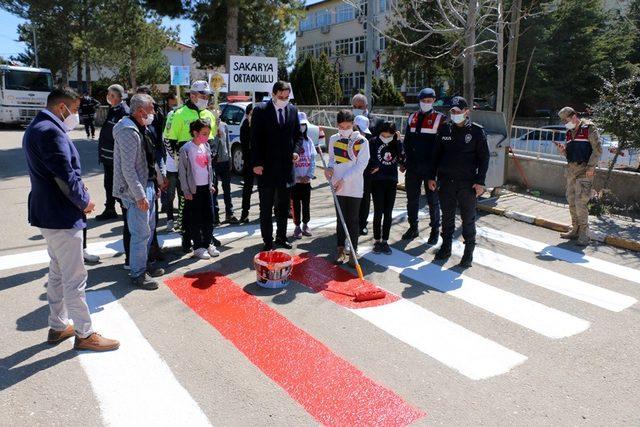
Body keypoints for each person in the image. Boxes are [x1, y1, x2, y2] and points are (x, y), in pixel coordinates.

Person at [22, 87, 119, 351]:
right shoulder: (50, 132)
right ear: (61, 107)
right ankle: (85, 333)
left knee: (57, 272)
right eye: (75, 110)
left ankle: (57, 325)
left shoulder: (38, 127)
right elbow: (64, 176)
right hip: (61, 214)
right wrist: (84, 201)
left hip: (49, 212)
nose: (76, 115)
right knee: (75, 278)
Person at [428, 96, 489, 268]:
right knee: (447, 217)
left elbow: (484, 159)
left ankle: (468, 253)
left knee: (468, 219)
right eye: (452, 112)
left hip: (467, 183)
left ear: (466, 112)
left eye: (457, 112)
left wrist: (480, 182)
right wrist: (431, 176)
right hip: (446, 182)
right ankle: (445, 247)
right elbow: (436, 155)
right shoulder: (445, 129)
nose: (454, 114)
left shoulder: (476, 131)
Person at [113, 94, 165, 290]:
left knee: (148, 230)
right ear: (140, 110)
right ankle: (137, 273)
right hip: (136, 191)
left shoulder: (141, 127)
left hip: (147, 185)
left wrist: (156, 184)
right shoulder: (127, 131)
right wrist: (140, 195)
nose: (154, 112)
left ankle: (144, 265)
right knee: (140, 233)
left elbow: (148, 159)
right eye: (151, 108)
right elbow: (128, 169)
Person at [163, 81, 218, 252]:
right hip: (186, 170)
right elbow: (168, 140)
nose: (205, 98)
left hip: (205, 168)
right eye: (203, 95)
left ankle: (207, 237)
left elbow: (212, 140)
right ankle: (187, 237)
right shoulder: (177, 114)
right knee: (186, 205)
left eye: (208, 96)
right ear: (192, 95)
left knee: (209, 205)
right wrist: (180, 164)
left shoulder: (209, 114)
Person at [251, 81, 303, 251]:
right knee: (265, 207)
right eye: (281, 96)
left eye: (286, 97)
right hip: (265, 168)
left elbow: (298, 136)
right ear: (273, 94)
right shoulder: (260, 110)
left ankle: (281, 236)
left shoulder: (293, 110)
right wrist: (256, 163)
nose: (283, 99)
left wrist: (296, 151)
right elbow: (255, 139)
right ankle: (267, 240)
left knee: (283, 207)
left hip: (286, 168)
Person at [325, 109, 370, 267]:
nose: (344, 129)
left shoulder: (362, 142)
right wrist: (329, 169)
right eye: (341, 127)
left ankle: (353, 251)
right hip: (338, 185)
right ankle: (340, 250)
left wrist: (344, 179)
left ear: (353, 125)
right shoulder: (333, 139)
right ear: (337, 125)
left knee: (353, 220)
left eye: (347, 126)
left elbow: (361, 166)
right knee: (340, 219)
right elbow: (331, 160)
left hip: (355, 186)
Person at [402, 88, 446, 244]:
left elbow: (441, 146)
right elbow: (406, 142)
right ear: (419, 101)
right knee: (411, 199)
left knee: (433, 200)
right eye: (423, 101)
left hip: (431, 168)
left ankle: (435, 230)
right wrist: (405, 161)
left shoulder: (440, 119)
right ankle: (413, 227)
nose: (426, 103)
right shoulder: (412, 117)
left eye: (429, 101)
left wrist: (436, 170)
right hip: (413, 166)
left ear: (434, 101)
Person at [557, 107, 602, 246]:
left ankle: (584, 234)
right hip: (571, 169)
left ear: (574, 116)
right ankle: (575, 229)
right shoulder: (569, 132)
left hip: (585, 169)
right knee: (571, 199)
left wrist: (591, 167)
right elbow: (570, 153)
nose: (565, 123)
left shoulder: (589, 128)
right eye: (563, 121)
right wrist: (563, 151)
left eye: (567, 120)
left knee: (580, 201)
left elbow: (598, 149)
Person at [178, 119, 220, 259]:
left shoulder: (206, 146)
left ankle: (208, 243)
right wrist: (186, 190)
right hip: (193, 190)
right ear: (195, 133)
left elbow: (209, 168)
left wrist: (211, 184)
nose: (206, 137)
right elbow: (182, 173)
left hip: (206, 189)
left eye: (208, 134)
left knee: (209, 217)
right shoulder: (186, 149)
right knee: (195, 219)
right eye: (204, 133)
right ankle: (198, 247)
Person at [369, 121, 404, 254]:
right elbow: (370, 158)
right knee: (378, 212)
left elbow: (402, 158)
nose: (386, 138)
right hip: (377, 181)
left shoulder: (395, 143)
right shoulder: (373, 141)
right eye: (384, 135)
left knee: (388, 213)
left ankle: (385, 241)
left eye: (389, 135)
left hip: (391, 181)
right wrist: (374, 166)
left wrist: (399, 141)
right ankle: (377, 240)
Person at [96, 84, 129, 221]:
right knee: (108, 184)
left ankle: (125, 209)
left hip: (116, 157)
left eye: (111, 95)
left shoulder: (123, 111)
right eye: (108, 94)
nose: (108, 97)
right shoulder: (113, 109)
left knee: (119, 184)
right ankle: (110, 208)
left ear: (118, 96)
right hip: (108, 156)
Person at [351, 94, 380, 236]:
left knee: (365, 196)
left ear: (366, 107)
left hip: (368, 167)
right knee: (351, 196)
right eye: (354, 107)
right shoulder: (348, 121)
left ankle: (362, 223)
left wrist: (377, 163)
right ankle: (351, 222)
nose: (356, 109)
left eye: (360, 107)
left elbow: (379, 145)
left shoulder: (376, 122)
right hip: (351, 166)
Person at [291, 112, 316, 239]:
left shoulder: (309, 141)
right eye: (299, 125)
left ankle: (306, 224)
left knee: (306, 204)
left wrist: (309, 176)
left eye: (304, 125)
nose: (302, 127)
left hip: (306, 181)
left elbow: (313, 160)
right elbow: (290, 163)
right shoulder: (292, 142)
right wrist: (296, 177)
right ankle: (297, 226)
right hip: (295, 182)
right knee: (295, 205)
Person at [212, 113, 239, 224]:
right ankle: (215, 215)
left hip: (225, 160)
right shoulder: (208, 126)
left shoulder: (224, 125)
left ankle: (230, 213)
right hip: (214, 161)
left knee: (227, 188)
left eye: (218, 112)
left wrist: (230, 159)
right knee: (214, 190)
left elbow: (227, 142)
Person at [162, 98, 179, 231]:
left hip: (183, 168)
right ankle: (169, 220)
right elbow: (167, 145)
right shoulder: (168, 130)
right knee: (170, 195)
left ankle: (182, 220)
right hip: (172, 167)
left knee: (183, 195)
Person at [239, 103, 254, 223]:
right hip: (249, 161)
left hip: (260, 161)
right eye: (251, 114)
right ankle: (245, 213)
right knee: (247, 188)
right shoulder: (244, 126)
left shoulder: (260, 125)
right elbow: (245, 145)